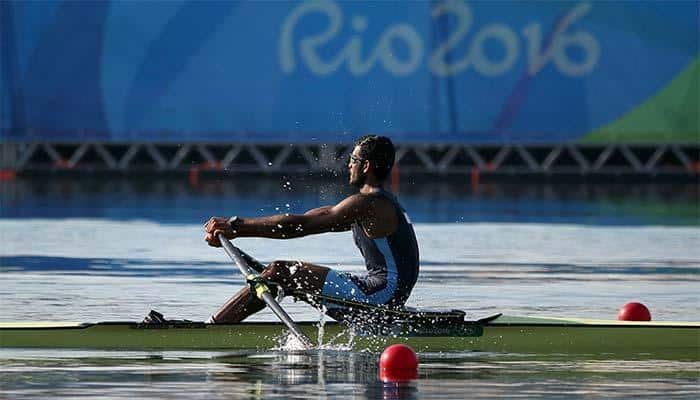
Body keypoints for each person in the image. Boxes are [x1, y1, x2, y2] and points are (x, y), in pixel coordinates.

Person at [203, 135, 419, 323]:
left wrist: (235, 226)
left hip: (379, 296)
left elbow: (296, 227)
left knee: (283, 272)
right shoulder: (377, 204)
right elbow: (307, 219)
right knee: (280, 276)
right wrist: (238, 232)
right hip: (385, 294)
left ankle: (213, 329)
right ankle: (220, 324)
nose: (348, 165)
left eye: (353, 160)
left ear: (366, 166)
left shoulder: (369, 204)